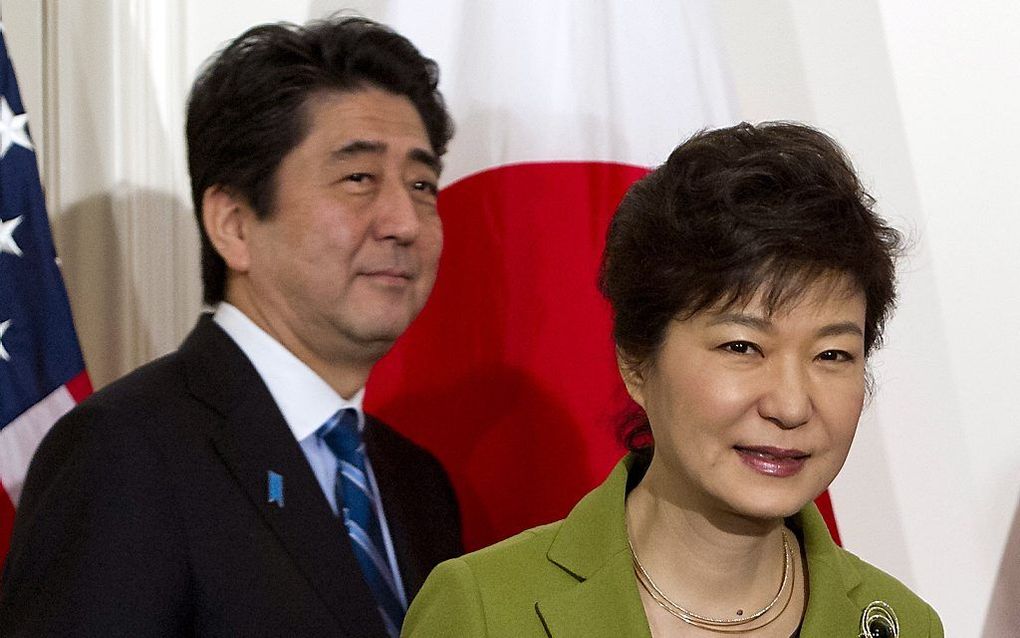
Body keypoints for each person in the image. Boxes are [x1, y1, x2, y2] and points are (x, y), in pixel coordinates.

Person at [0, 16, 461, 638]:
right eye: (359, 178)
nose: (405, 221)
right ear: (235, 225)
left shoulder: (418, 483)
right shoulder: (122, 453)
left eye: (423, 184)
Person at [402, 122, 943, 637]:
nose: (791, 404)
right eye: (742, 346)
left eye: (831, 355)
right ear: (638, 361)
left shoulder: (901, 624)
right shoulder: (485, 611)